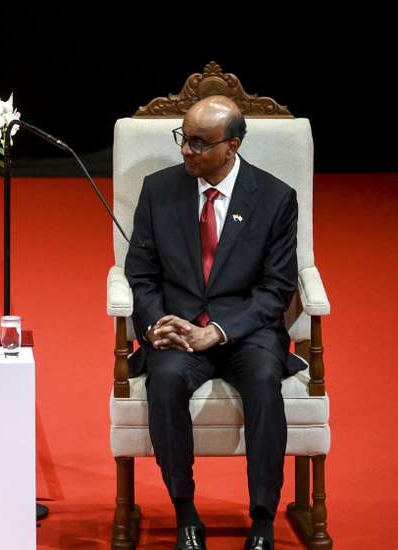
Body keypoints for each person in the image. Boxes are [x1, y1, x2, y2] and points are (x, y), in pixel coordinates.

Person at [125, 96, 302, 550]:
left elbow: (277, 289)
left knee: (265, 380)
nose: (186, 150)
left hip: (245, 331)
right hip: (180, 329)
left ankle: (263, 518)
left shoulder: (276, 199)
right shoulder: (158, 190)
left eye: (199, 143)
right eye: (183, 138)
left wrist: (219, 331)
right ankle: (185, 512)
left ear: (233, 146)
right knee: (163, 382)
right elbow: (140, 274)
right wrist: (153, 325)